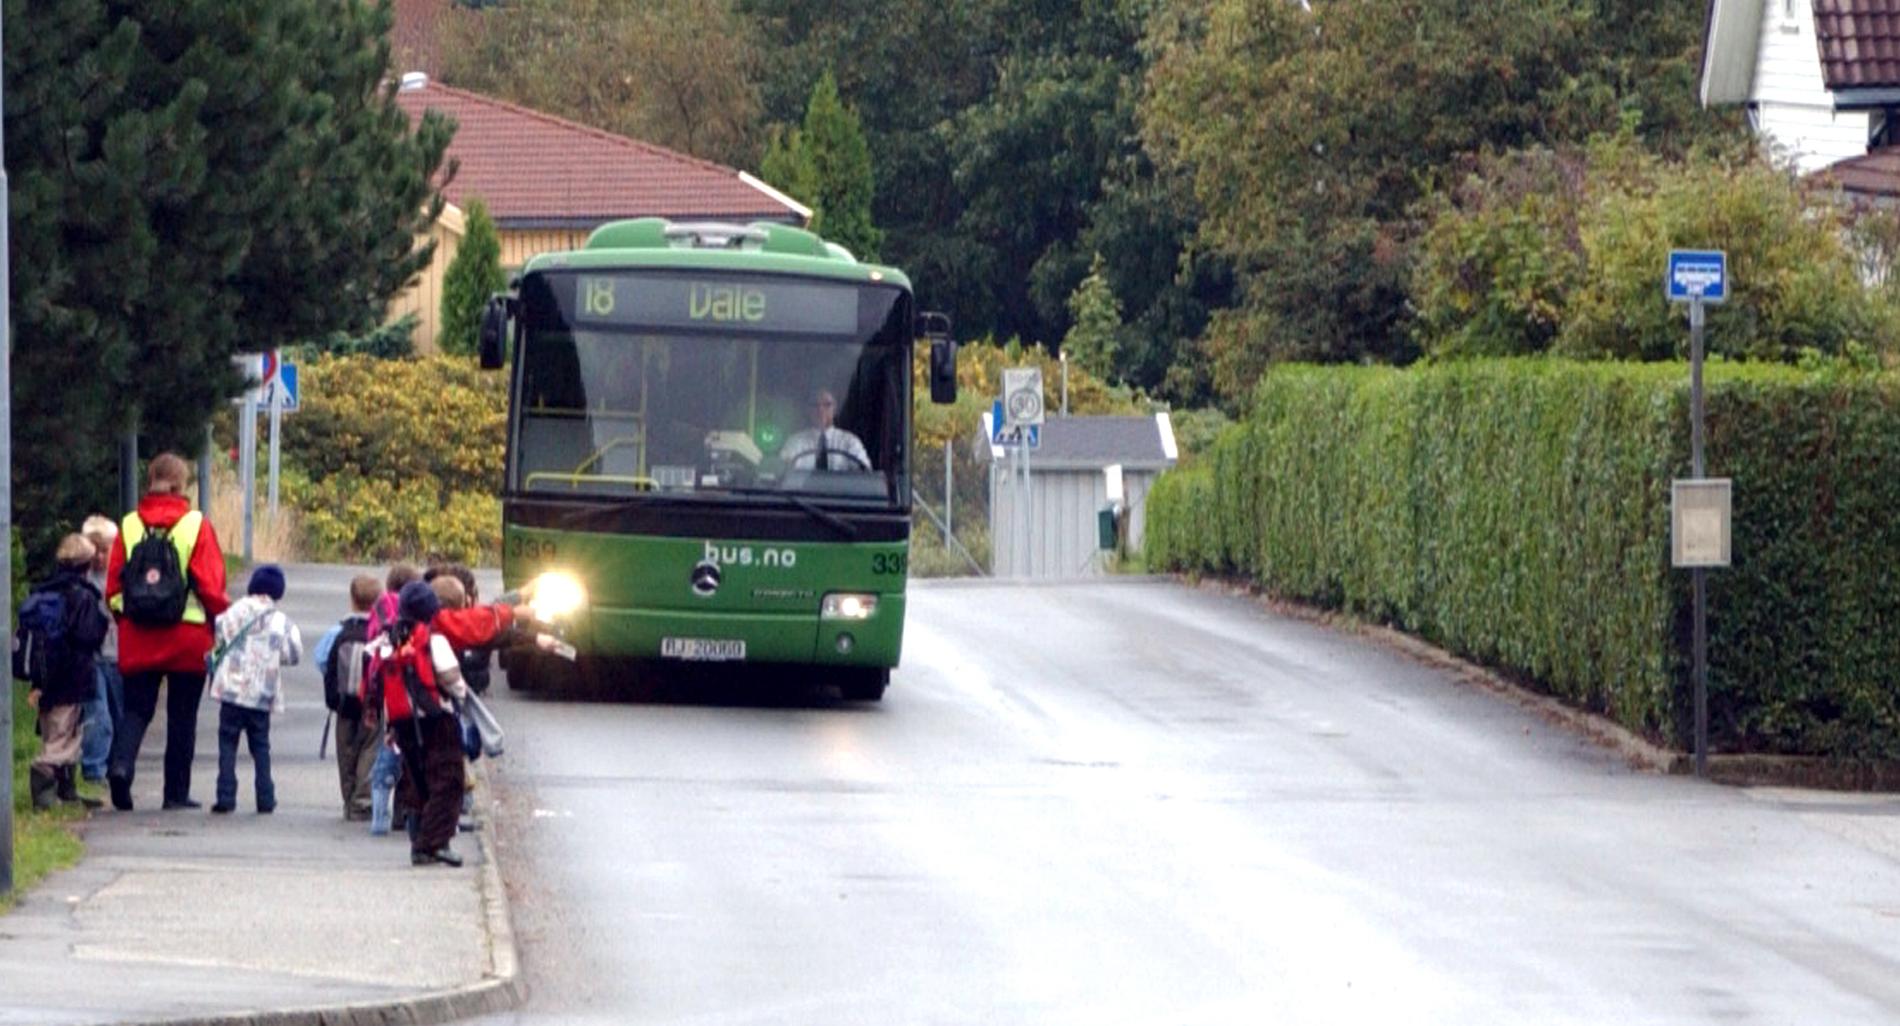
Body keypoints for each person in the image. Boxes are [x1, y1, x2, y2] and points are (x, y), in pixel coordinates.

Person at [105, 452, 231, 811]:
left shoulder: (129, 526)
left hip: (139, 633)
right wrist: (218, 616)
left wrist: (126, 618)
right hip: (187, 635)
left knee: (137, 709)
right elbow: (210, 584)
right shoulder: (196, 525)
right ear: (182, 483)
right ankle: (175, 793)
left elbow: (113, 588)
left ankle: (121, 765)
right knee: (182, 715)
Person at [366, 581, 471, 867]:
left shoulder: (389, 639)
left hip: (401, 722)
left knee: (417, 780)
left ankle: (418, 839)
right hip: (435, 720)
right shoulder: (432, 640)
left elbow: (376, 676)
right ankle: (434, 844)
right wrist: (461, 695)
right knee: (448, 782)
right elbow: (453, 680)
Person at [20, 535, 111, 810]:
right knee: (65, 733)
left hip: (45, 674)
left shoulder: (45, 592)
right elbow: (87, 636)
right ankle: (46, 792)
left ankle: (65, 790)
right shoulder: (82, 596)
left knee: (55, 729)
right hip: (73, 675)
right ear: (85, 563)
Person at [206, 566, 303, 814]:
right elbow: (294, 654)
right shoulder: (280, 621)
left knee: (227, 742)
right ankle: (265, 797)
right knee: (260, 746)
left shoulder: (233, 611)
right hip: (262, 692)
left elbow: (218, 636)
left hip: (231, 689)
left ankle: (225, 796)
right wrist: (271, 656)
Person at [318, 574, 380, 821]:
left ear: (352, 599)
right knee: (369, 749)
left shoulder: (337, 631)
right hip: (371, 705)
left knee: (346, 750)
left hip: (343, 704)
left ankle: (348, 797)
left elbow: (321, 659)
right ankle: (362, 801)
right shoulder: (379, 632)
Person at [78, 515, 121, 782]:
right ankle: (94, 768)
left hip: (118, 654)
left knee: (120, 715)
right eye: (94, 551)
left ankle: (116, 766)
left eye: (105, 551)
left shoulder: (120, 577)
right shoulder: (84, 581)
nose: (100, 557)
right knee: (98, 714)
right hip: (93, 657)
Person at [780, 388, 870, 471]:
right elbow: (782, 470)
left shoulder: (850, 441)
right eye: (815, 405)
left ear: (835, 409)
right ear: (808, 410)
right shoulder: (795, 441)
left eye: (827, 405)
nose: (820, 409)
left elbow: (865, 472)